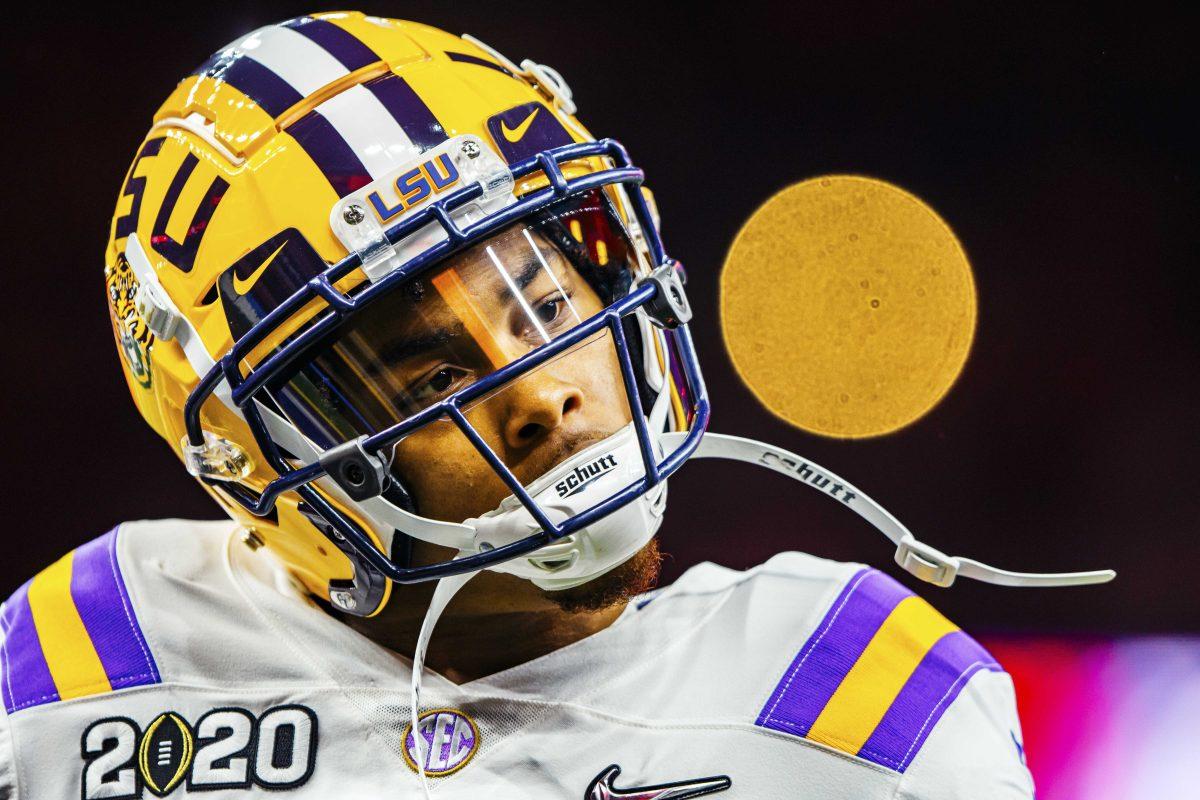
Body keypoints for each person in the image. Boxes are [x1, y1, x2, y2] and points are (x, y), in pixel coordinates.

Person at [0, 12, 1040, 798]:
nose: (543, 391)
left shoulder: (861, 696)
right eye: (434, 380)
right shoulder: (74, 677)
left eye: (545, 303)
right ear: (259, 460)